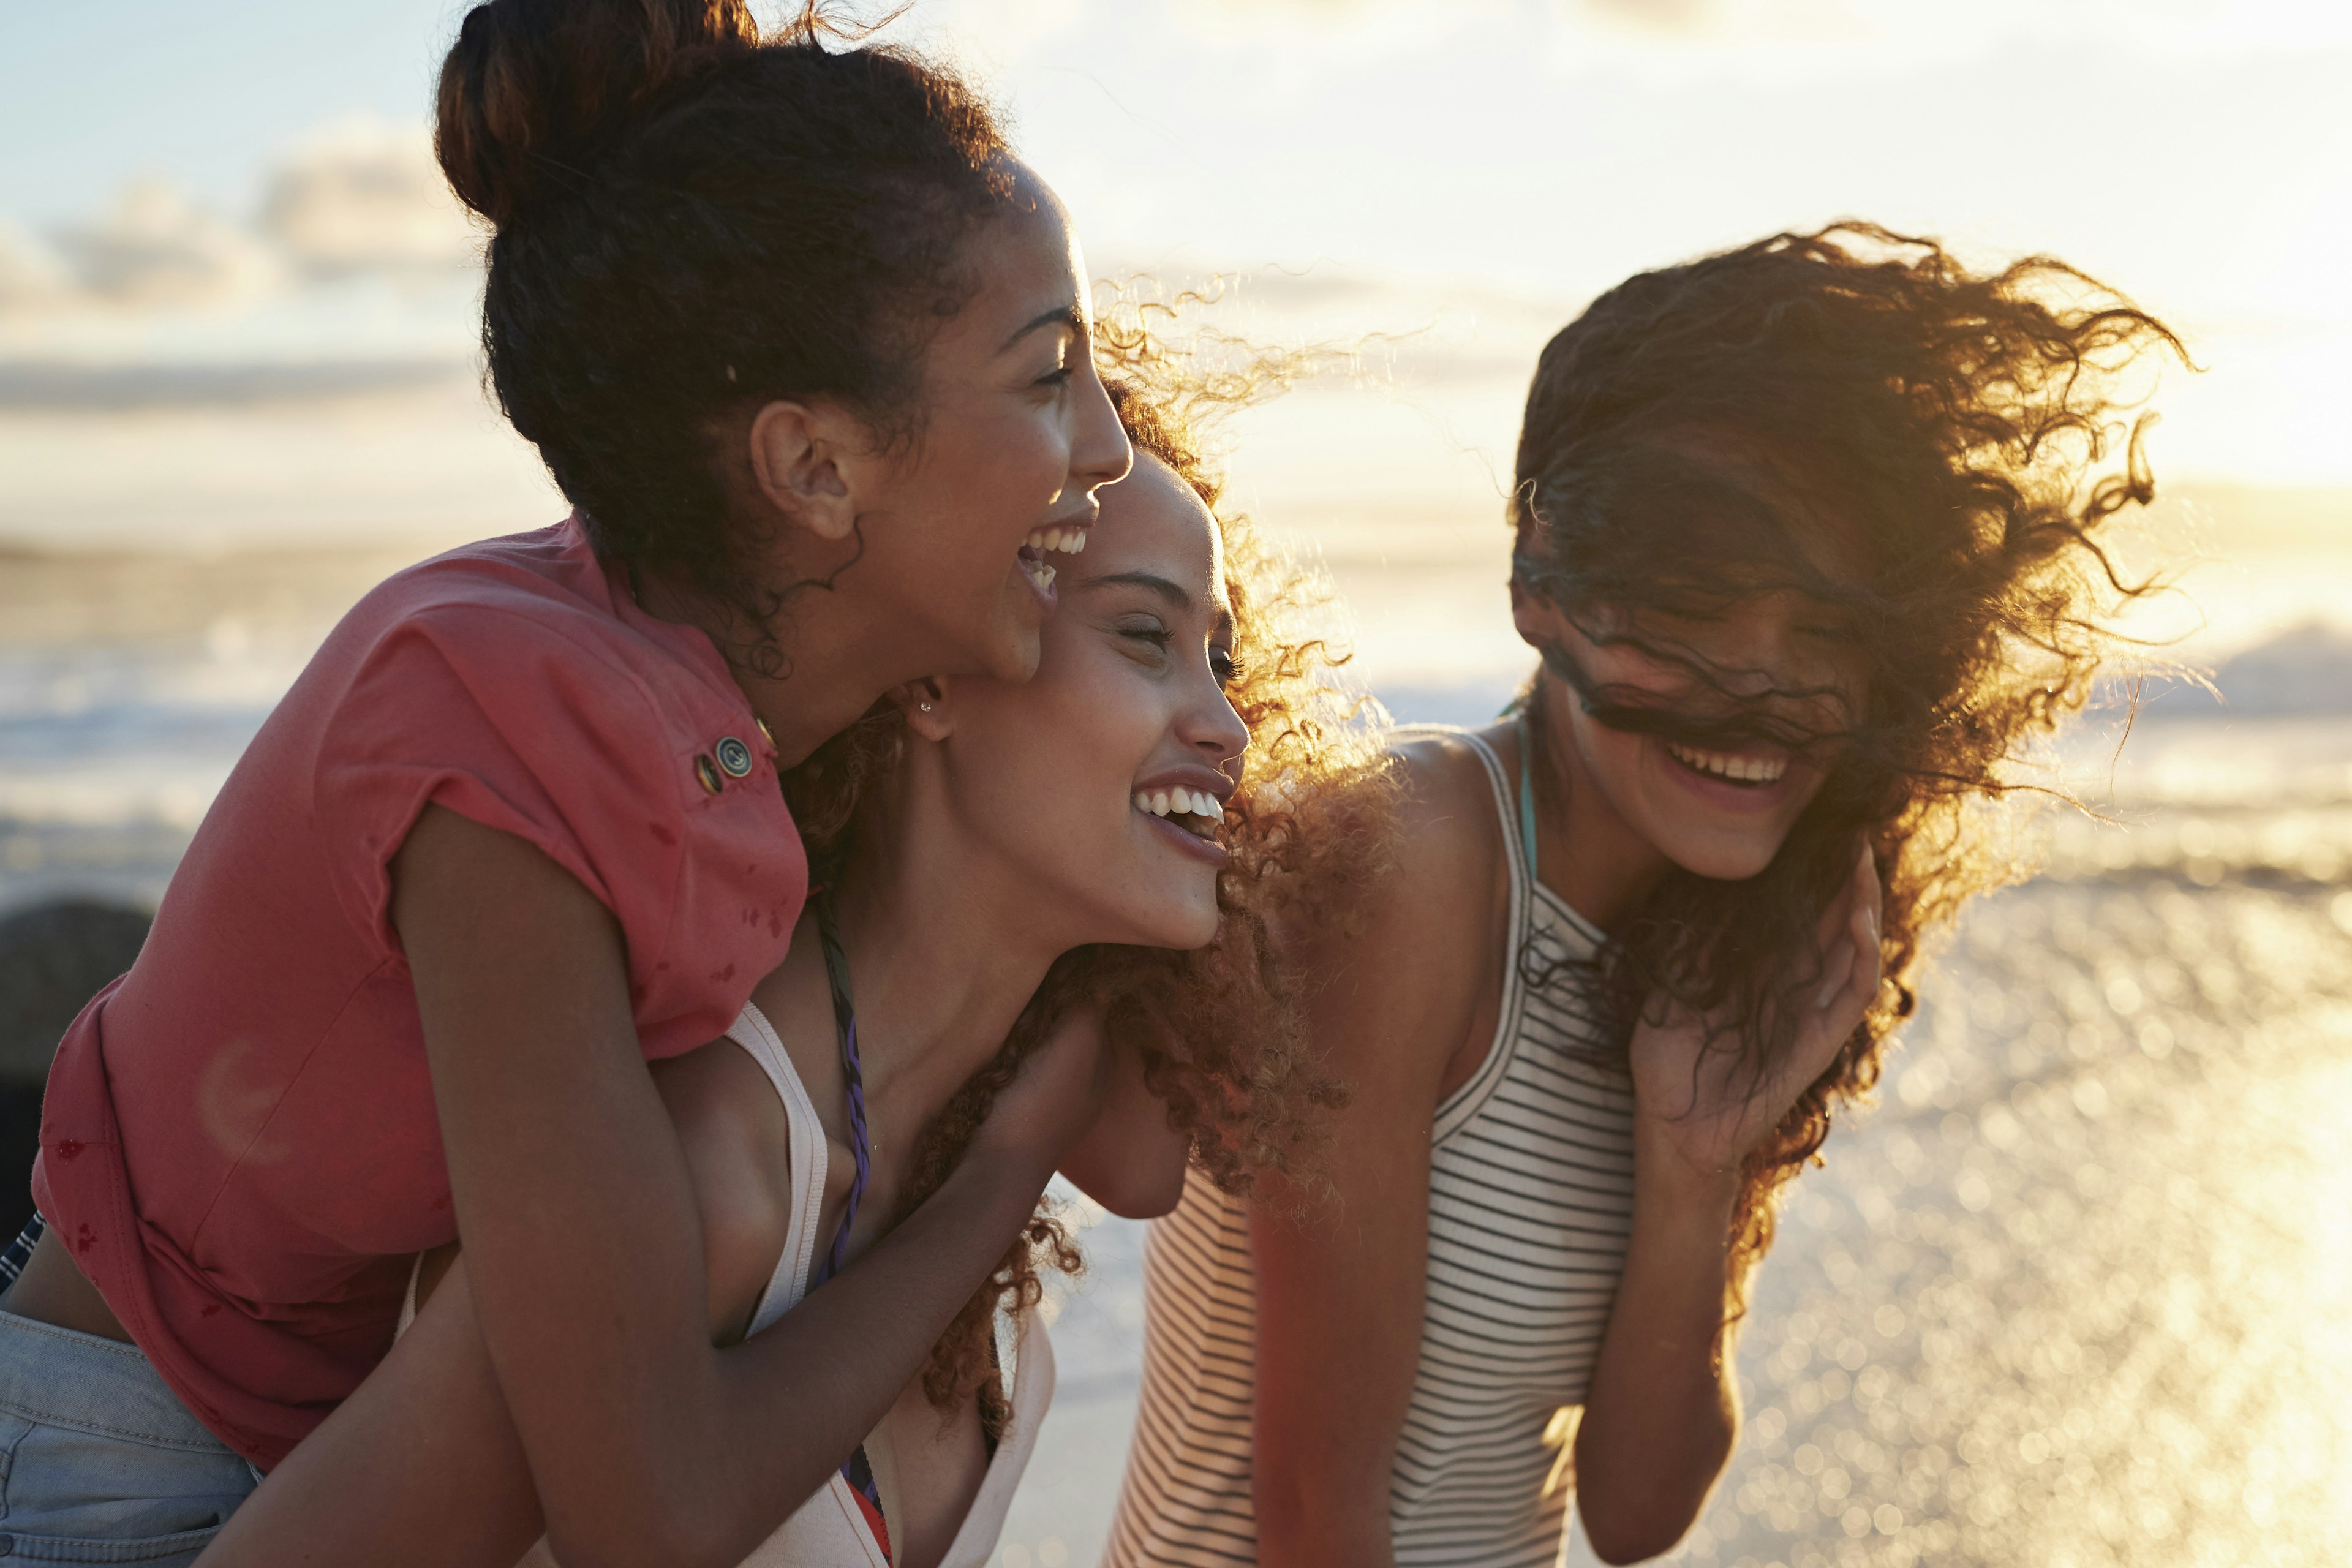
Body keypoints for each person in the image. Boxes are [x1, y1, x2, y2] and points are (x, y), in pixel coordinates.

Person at [0, 5, 1136, 1564]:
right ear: (811, 469)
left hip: (322, 1437)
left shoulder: (697, 671)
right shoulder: (513, 739)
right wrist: (1000, 1178)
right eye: (1050, 376)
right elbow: (647, 1513)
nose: (1109, 448)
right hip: (126, 1474)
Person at [1109, 223, 2186, 1567]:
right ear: (1540, 583)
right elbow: (1316, 1512)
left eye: (1823, 631)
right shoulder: (1416, 860)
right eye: (1696, 605)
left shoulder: (1733, 934)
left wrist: (1694, 1158)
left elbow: (1634, 1507)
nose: (1762, 695)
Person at [194, 365, 1370, 1568]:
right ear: (935, 669)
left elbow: (1151, 1164)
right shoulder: (713, 1155)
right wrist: (1009, 1165)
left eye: (1220, 659)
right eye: (1144, 636)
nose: (1226, 723)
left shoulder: (988, 1141)